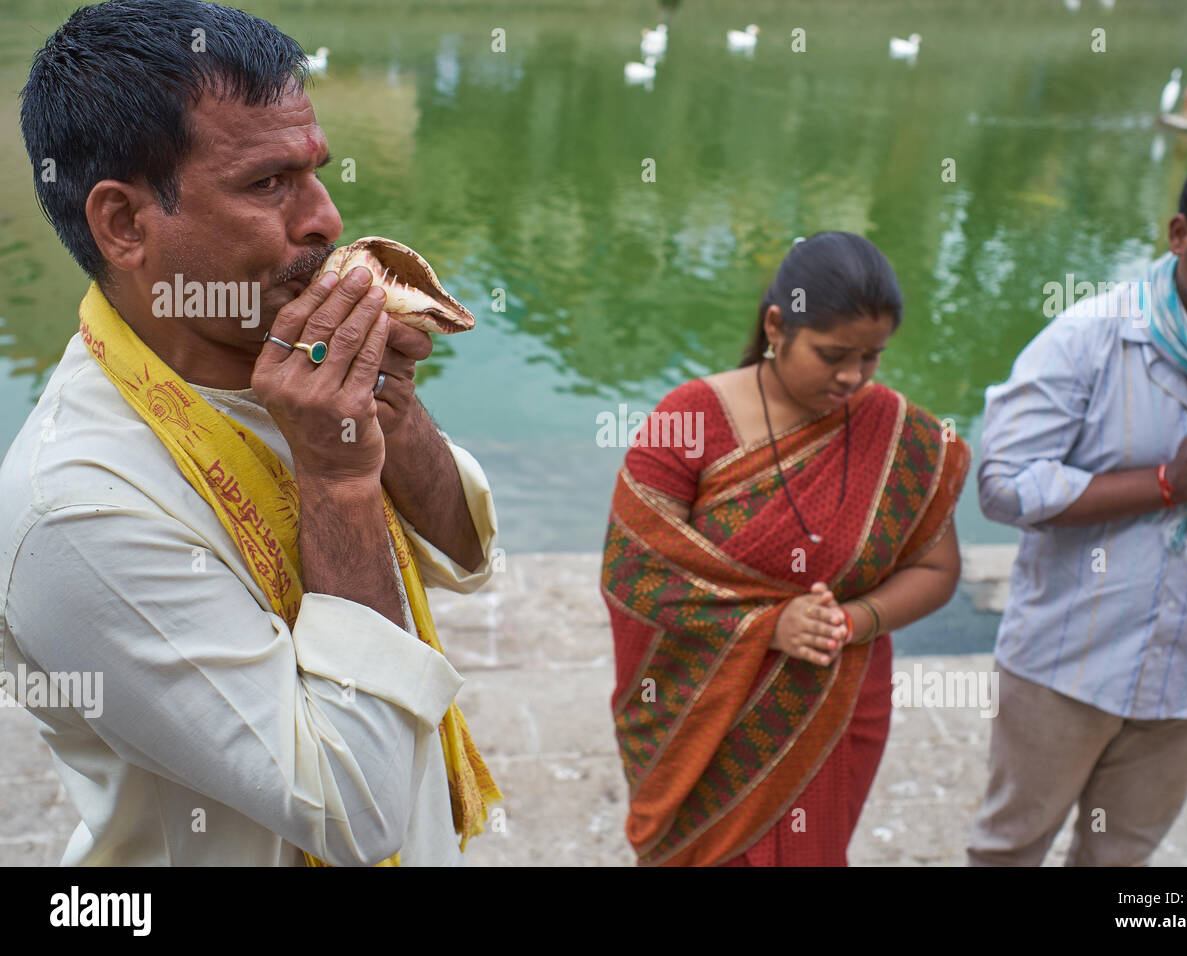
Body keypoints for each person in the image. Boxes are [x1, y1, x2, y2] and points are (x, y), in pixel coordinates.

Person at [1, 0, 501, 866]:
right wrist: (339, 480)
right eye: (267, 184)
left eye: (315, 171)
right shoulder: (74, 510)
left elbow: (464, 551)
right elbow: (356, 811)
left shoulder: (285, 364)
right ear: (123, 225)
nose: (327, 221)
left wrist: (391, 404)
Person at [968, 133, 1187, 866]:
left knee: (1121, 857)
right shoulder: (1089, 337)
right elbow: (1004, 484)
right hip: (1065, 662)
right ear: (1181, 236)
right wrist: (1167, 485)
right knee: (1009, 847)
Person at [600, 231, 971, 866]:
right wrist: (769, 626)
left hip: (833, 703)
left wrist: (850, 622)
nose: (853, 377)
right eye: (833, 355)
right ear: (777, 326)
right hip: (704, 716)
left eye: (872, 357)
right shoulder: (690, 416)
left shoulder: (902, 437)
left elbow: (938, 568)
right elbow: (634, 571)